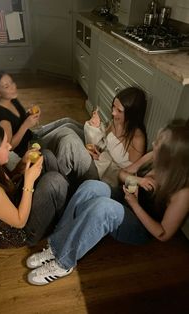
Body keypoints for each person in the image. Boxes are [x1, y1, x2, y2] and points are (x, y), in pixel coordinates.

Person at [26, 119, 189, 286]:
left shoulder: (182, 193)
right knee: (92, 187)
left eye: (160, 143)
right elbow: (123, 174)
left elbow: (163, 234)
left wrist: (134, 204)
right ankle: (57, 245)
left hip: (141, 227)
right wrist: (137, 181)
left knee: (104, 208)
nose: (154, 143)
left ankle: (64, 263)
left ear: (172, 155)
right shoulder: (153, 157)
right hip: (127, 202)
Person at [0, 123, 69, 248]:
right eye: (5, 145)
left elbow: (8, 185)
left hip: (16, 203)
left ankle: (68, 201)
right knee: (53, 181)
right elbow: (20, 222)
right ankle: (68, 217)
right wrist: (29, 181)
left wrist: (21, 165)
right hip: (21, 233)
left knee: (46, 156)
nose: (10, 146)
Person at [47, 86, 147, 187]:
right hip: (99, 160)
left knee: (70, 141)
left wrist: (102, 156)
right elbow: (103, 142)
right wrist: (97, 126)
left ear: (132, 113)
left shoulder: (137, 140)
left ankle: (55, 183)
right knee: (68, 124)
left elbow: (126, 175)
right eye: (114, 107)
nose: (113, 112)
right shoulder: (117, 121)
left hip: (105, 176)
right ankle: (37, 139)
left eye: (119, 111)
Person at [0, 71, 84, 157]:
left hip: (32, 135)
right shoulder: (3, 119)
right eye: (6, 86)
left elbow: (17, 122)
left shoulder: (10, 99)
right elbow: (9, 147)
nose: (13, 87)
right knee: (67, 131)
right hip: (29, 147)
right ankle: (89, 145)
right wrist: (26, 125)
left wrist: (29, 115)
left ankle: (91, 134)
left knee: (67, 121)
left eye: (12, 82)